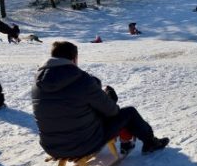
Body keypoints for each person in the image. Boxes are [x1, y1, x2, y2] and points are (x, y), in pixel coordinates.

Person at [32, 41, 169, 158]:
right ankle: (150, 142)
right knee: (129, 113)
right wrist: (108, 96)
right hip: (82, 145)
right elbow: (112, 111)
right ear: (74, 59)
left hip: (51, 147)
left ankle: (129, 140)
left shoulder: (37, 83)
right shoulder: (82, 80)